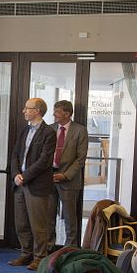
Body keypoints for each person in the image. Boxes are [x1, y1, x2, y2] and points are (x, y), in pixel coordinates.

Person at [8, 98, 56, 271]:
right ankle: (26, 253)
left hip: (37, 185)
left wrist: (25, 176)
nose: (24, 111)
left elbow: (45, 161)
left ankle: (39, 257)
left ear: (37, 110)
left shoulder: (49, 132)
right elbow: (15, 155)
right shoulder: (24, 130)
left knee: (38, 225)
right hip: (19, 184)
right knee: (21, 222)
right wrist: (15, 175)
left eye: (27, 108)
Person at [48, 100, 88, 248]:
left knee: (70, 218)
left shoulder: (80, 130)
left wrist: (65, 175)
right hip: (49, 178)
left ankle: (70, 249)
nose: (54, 115)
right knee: (48, 217)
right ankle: (48, 248)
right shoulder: (50, 129)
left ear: (67, 114)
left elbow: (81, 158)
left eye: (57, 112)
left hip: (69, 180)